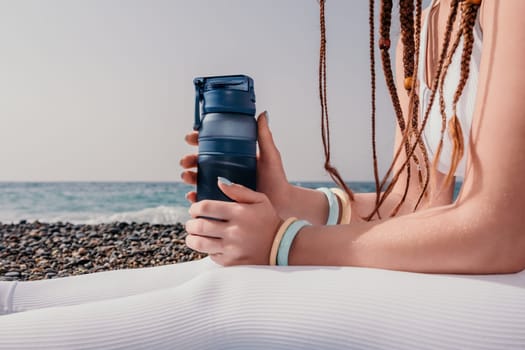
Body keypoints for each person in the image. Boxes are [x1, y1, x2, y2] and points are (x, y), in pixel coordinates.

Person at [1, 1, 524, 349]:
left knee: (241, 297)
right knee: (219, 275)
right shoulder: (431, 24)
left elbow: (499, 233)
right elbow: (416, 205)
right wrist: (297, 204)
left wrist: (284, 242)